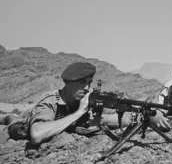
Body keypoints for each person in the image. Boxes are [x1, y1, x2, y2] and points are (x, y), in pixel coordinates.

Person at [0, 62, 132, 145]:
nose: (86, 88)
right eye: (81, 83)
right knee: (12, 119)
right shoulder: (50, 101)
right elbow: (36, 134)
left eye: (89, 83)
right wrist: (80, 112)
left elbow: (122, 118)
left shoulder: (87, 98)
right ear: (67, 84)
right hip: (25, 120)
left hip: (59, 118)